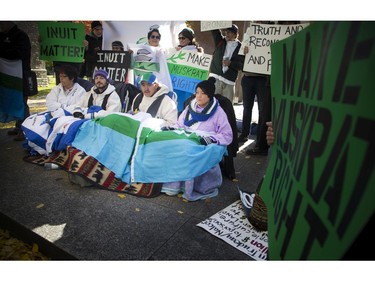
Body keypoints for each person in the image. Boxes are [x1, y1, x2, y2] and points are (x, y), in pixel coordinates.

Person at [161, 77, 233, 201]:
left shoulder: (218, 112)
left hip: (206, 142)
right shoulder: (190, 107)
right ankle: (175, 185)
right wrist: (171, 129)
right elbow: (179, 125)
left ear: (210, 95)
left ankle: (192, 187)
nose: (198, 96)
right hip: (188, 138)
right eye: (197, 92)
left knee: (190, 152)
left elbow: (227, 135)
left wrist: (212, 139)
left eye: (203, 93)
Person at [0, 21, 31, 141]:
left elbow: (20, 54)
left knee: (21, 101)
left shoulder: (21, 36)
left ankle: (25, 129)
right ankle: (19, 126)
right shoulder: (2, 36)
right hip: (6, 75)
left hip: (20, 75)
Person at [237, 45, 269, 144]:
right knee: (246, 108)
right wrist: (244, 53)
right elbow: (238, 61)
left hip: (263, 79)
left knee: (262, 110)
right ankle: (244, 134)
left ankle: (260, 139)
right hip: (248, 77)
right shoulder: (248, 41)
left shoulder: (267, 41)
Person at [208, 24, 244, 104]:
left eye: (229, 32)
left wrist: (231, 63)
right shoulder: (220, 41)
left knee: (227, 106)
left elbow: (242, 66)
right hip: (215, 78)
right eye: (226, 31)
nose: (227, 34)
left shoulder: (241, 47)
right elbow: (214, 30)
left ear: (235, 34)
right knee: (212, 104)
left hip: (229, 82)